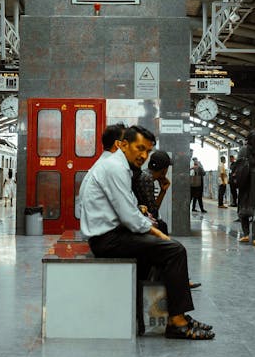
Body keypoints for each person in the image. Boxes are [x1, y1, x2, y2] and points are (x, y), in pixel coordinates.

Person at [78, 125, 214, 340]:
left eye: (147, 151)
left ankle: (154, 315)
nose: (143, 155)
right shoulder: (115, 167)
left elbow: (130, 208)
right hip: (107, 239)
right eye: (139, 148)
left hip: (110, 234)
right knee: (174, 250)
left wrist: (144, 220)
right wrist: (158, 234)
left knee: (161, 247)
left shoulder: (117, 166)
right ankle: (177, 322)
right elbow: (130, 217)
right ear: (123, 145)